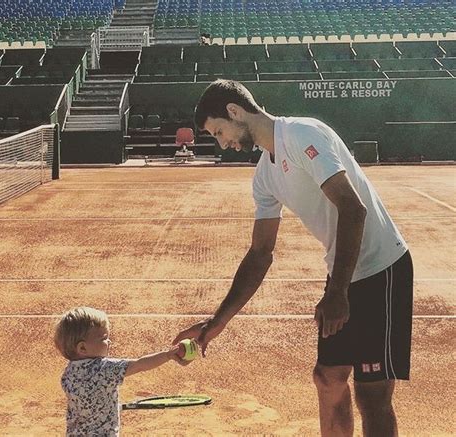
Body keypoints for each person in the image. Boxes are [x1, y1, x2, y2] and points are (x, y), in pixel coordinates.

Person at [173, 79, 413, 436]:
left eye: (220, 131)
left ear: (235, 112)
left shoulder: (302, 135)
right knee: (328, 378)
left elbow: (353, 210)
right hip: (343, 271)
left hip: (382, 267)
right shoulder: (264, 176)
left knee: (372, 393)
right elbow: (259, 253)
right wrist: (216, 323)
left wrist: (337, 293)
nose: (223, 143)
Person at [55, 307, 187, 436]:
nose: (109, 341)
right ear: (82, 348)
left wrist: (106, 407)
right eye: (104, 338)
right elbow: (139, 364)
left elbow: (85, 403)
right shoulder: (105, 369)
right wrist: (167, 355)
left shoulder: (67, 374)